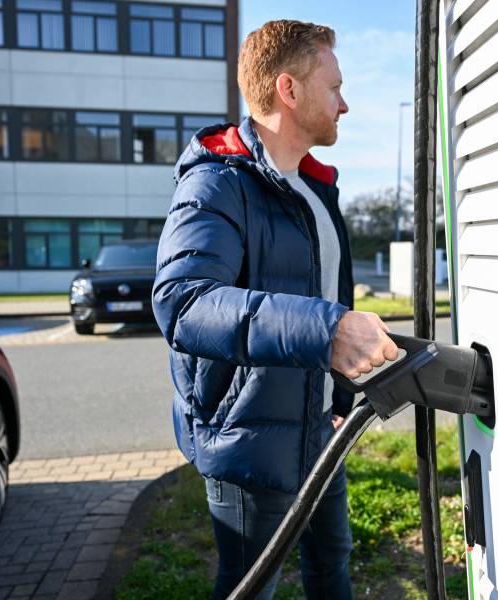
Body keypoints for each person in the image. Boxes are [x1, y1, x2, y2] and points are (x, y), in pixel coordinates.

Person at [152, 19, 399, 599]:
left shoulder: (315, 190)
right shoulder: (216, 183)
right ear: (289, 90)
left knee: (332, 566)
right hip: (247, 441)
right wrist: (327, 331)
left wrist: (339, 399)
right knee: (249, 587)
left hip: (320, 431)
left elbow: (330, 297)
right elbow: (183, 303)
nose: (345, 103)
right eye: (334, 87)